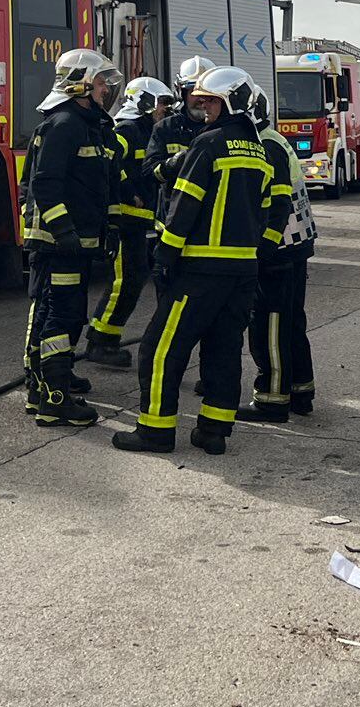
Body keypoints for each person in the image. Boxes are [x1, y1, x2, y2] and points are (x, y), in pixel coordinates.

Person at [114, 65, 289, 456]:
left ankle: (155, 431)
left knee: (160, 349)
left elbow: (185, 204)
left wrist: (164, 254)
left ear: (230, 103)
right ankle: (213, 432)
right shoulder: (261, 151)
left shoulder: (208, 144)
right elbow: (270, 210)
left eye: (211, 101)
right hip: (242, 274)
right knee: (224, 351)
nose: (204, 107)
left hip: (199, 270)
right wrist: (257, 254)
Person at [19, 48, 121, 427]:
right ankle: (54, 399)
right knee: (61, 317)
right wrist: (64, 233)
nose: (104, 90)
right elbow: (45, 185)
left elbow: (95, 187)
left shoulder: (84, 123)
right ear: (79, 83)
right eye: (99, 83)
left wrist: (104, 230)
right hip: (59, 244)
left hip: (73, 242)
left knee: (58, 313)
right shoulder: (65, 125)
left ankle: (43, 390)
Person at [80, 75, 175, 367]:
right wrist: (129, 192)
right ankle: (100, 341)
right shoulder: (126, 130)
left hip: (139, 222)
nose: (164, 109)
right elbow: (109, 164)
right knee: (125, 281)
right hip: (124, 221)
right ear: (143, 101)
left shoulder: (148, 131)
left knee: (134, 279)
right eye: (161, 103)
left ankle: (107, 337)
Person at [240, 85, 317, 423]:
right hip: (294, 245)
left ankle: (271, 400)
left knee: (269, 324)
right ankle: (301, 391)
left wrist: (263, 248)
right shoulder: (273, 138)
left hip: (278, 248)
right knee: (290, 321)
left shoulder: (265, 145)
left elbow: (275, 203)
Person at [144, 54, 216, 220]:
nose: (201, 100)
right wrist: (172, 164)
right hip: (173, 220)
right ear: (181, 93)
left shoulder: (224, 129)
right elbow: (149, 174)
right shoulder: (166, 129)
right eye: (193, 92)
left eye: (205, 93)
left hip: (212, 220)